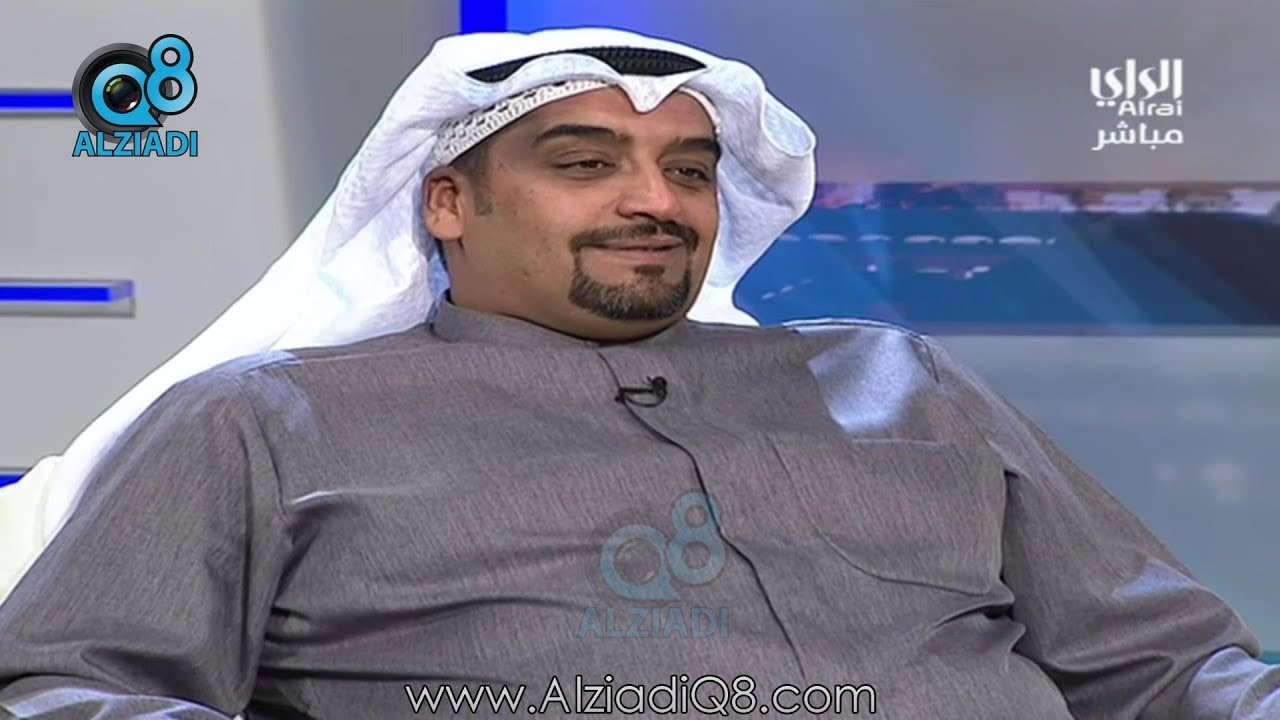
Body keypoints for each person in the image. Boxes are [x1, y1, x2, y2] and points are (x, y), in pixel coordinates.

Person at [0, 26, 1276, 720]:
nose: (653, 202)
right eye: (584, 163)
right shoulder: (266, 421)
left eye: (687, 171)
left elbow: (1167, 663)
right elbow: (67, 684)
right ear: (446, 203)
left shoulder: (897, 377)